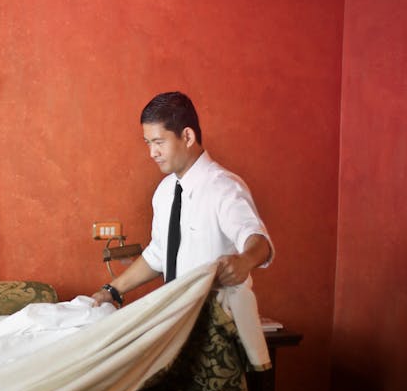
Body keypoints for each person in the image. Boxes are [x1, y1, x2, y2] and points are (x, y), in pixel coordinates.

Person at [92, 91, 273, 307]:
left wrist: (245, 261)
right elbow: (159, 254)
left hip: (218, 323)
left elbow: (258, 240)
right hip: (177, 319)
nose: (152, 153)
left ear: (187, 137)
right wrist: (111, 290)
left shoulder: (224, 188)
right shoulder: (164, 191)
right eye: (148, 143)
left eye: (158, 142)